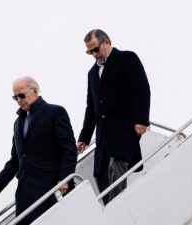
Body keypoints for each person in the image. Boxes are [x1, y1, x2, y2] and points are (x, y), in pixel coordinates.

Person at [0, 76, 78, 224]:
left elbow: (69, 149)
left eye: (21, 95)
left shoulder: (55, 112)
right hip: (26, 196)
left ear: (35, 91)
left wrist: (64, 179)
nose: (18, 100)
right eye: (15, 97)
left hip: (51, 189)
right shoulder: (17, 123)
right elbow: (15, 161)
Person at [77, 29, 151, 204]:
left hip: (125, 127)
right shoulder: (91, 73)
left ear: (107, 42)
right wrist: (84, 137)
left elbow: (141, 89)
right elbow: (91, 107)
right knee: (99, 175)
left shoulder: (127, 59)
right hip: (104, 134)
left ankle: (117, 210)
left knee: (117, 165)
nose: (94, 55)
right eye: (90, 52)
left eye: (96, 49)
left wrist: (141, 120)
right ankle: (112, 209)